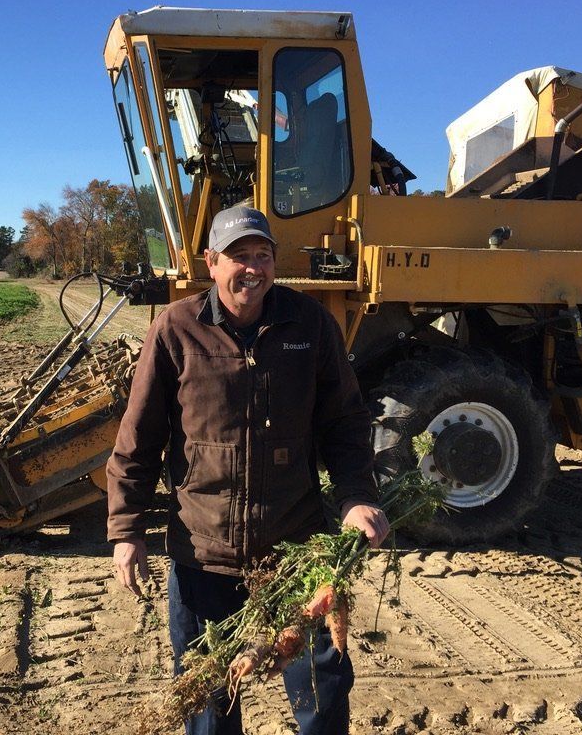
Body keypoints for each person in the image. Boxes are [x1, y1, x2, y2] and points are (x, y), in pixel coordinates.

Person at [107, 205, 388, 735]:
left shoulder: (311, 325)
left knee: (322, 697)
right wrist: (127, 530)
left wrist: (355, 497)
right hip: (204, 556)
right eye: (239, 257)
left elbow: (346, 425)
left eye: (263, 255)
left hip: (298, 557)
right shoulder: (176, 330)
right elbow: (138, 440)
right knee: (209, 701)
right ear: (211, 263)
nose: (252, 268)